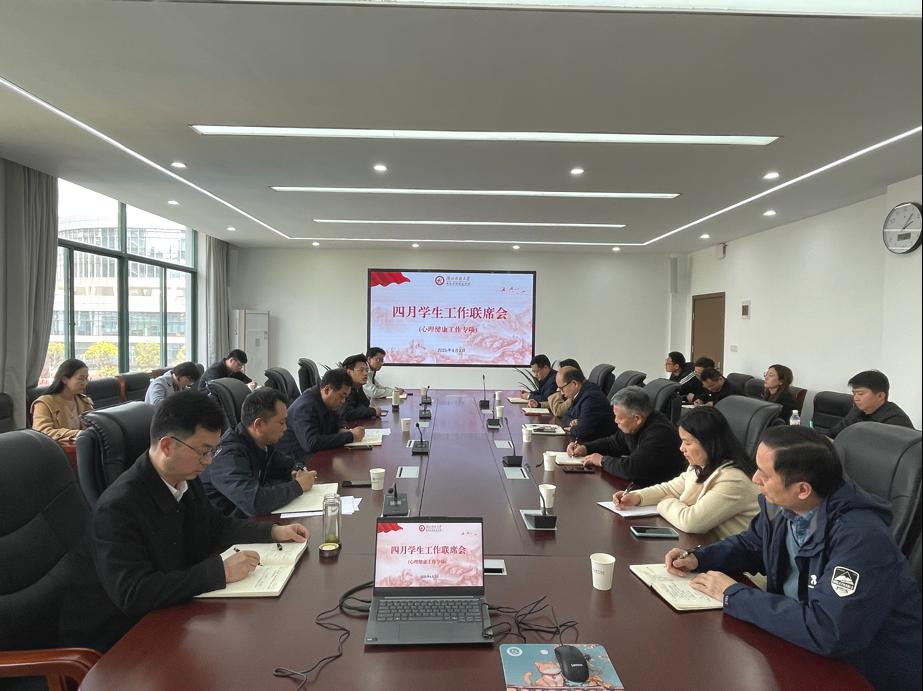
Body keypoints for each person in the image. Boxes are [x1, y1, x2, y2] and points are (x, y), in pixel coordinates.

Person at [664, 426, 921, 691]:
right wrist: (699, 557)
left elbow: (828, 629)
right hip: (797, 644)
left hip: (862, 672)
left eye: (764, 474)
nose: (754, 479)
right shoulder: (783, 506)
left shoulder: (862, 538)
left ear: (803, 490)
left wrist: (734, 595)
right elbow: (753, 544)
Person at [58, 391, 308, 652]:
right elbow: (134, 593)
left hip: (171, 612)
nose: (209, 462)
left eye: (213, 451)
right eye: (203, 452)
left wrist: (273, 532)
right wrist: (220, 572)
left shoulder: (184, 477)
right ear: (167, 446)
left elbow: (216, 526)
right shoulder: (117, 508)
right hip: (119, 639)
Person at [614, 407, 759, 540]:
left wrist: (665, 502)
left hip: (730, 556)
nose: (681, 448)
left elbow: (691, 522)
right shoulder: (701, 465)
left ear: (709, 443)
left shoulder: (734, 479)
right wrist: (637, 497)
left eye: (687, 443)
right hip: (705, 545)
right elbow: (670, 489)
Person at [201, 387, 317, 517]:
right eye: (281, 422)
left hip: (247, 519)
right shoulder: (228, 455)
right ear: (259, 425)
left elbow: (286, 464)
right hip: (227, 523)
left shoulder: (260, 442)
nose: (285, 428)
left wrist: (297, 469)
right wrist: (298, 486)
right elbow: (254, 502)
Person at [568, 385, 685, 485]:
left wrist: (602, 461)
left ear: (637, 418)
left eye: (619, 418)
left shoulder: (659, 434)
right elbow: (613, 443)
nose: (615, 421)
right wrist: (586, 448)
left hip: (662, 492)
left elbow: (632, 469)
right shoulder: (636, 425)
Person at [275, 368, 364, 461]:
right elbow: (311, 443)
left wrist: (342, 428)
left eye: (346, 397)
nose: (343, 401)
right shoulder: (305, 407)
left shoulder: (327, 399)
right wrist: (350, 436)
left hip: (315, 455)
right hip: (296, 460)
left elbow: (338, 416)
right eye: (342, 396)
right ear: (327, 390)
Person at [827, 370, 913, 438]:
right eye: (854, 394)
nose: (856, 398)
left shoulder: (895, 421)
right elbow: (833, 434)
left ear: (880, 396)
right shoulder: (857, 410)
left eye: (860, 394)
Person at [31, 358, 94, 441]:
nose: (85, 383)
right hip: (57, 447)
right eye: (81, 379)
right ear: (64, 379)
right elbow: (42, 432)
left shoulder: (84, 401)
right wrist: (77, 433)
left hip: (82, 445)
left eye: (86, 378)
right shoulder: (44, 403)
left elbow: (93, 426)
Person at [558, 367, 618, 442]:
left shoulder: (592, 397)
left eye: (562, 388)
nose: (561, 393)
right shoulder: (580, 393)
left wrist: (572, 429)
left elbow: (582, 431)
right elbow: (565, 415)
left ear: (574, 383)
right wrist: (571, 421)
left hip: (598, 444)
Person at [342, 354, 381, 420]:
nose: (366, 373)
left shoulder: (358, 386)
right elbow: (347, 413)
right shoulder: (345, 388)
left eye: (367, 370)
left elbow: (365, 404)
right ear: (349, 372)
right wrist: (373, 411)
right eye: (361, 370)